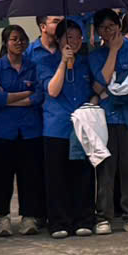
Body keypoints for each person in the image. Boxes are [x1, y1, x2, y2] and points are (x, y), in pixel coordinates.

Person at [82, 6, 128, 233]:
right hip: (106, 119)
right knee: (106, 169)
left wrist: (106, 91)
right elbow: (99, 83)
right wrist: (112, 52)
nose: (108, 31)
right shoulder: (94, 55)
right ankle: (103, 216)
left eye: (111, 26)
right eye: (103, 28)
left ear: (119, 26)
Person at [0, 23, 43, 236]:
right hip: (4, 131)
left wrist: (10, 98)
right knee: (1, 176)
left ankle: (29, 217)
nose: (19, 43)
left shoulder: (33, 66)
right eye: (14, 39)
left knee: (30, 175)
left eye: (22, 39)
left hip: (29, 129)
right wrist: (23, 95)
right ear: (5, 43)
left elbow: (39, 95)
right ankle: (3, 218)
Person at [34, 16, 91, 237]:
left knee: (82, 174)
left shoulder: (85, 62)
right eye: (69, 37)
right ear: (58, 40)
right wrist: (62, 62)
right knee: (57, 177)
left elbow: (95, 89)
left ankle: (84, 219)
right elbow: (53, 90)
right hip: (56, 127)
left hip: (82, 127)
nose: (75, 41)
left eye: (78, 37)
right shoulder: (45, 62)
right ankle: (59, 222)